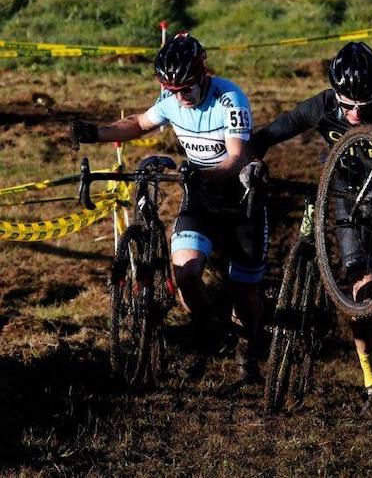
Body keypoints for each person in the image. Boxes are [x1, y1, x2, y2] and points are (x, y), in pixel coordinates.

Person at [69, 33, 266, 382]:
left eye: (185, 88)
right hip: (200, 201)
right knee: (187, 275)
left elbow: (236, 157)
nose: (179, 96)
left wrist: (203, 173)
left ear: (202, 73)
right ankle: (211, 330)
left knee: (244, 293)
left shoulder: (229, 97)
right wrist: (94, 132)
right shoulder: (172, 98)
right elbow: (139, 123)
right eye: (170, 89)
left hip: (239, 202)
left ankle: (248, 354)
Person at [251, 42, 372, 415]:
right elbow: (270, 133)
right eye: (348, 105)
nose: (355, 113)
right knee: (361, 300)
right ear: (335, 94)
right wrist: (251, 161)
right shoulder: (322, 105)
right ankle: (371, 381)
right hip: (347, 202)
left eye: (364, 104)